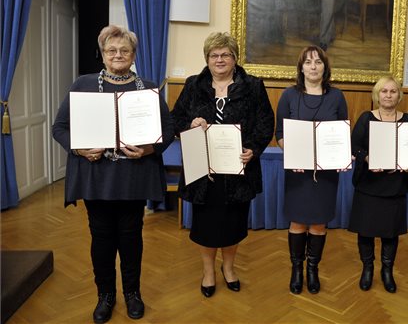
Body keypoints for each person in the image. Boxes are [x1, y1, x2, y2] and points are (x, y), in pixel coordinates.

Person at [52, 25, 175, 323]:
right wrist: (79, 149)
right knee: (102, 238)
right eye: (112, 50)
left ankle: (133, 293)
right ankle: (105, 295)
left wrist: (148, 150)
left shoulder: (147, 88)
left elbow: (168, 130)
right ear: (103, 54)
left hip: (134, 175)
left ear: (133, 55)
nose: (118, 55)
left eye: (124, 50)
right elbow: (60, 128)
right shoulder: (82, 85)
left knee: (132, 237)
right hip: (96, 175)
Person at [171, 32, 274, 298]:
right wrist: (190, 124)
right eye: (214, 55)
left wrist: (253, 148)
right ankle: (208, 272)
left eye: (225, 54)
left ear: (235, 58)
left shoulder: (252, 85)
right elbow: (175, 119)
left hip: (238, 171)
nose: (219, 59)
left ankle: (229, 269)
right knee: (205, 226)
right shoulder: (194, 84)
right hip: (203, 172)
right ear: (207, 58)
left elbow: (265, 123)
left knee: (233, 224)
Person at [276, 45, 348, 294]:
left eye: (318, 62)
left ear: (325, 67)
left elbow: (342, 134)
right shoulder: (288, 95)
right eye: (308, 62)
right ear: (301, 68)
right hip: (297, 172)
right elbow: (280, 135)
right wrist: (293, 155)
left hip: (326, 173)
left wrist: (340, 156)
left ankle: (313, 269)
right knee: (297, 223)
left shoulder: (337, 96)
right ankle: (297, 269)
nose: (313, 66)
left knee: (318, 224)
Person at [348, 76, 408, 293]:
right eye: (384, 91)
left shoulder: (407, 120)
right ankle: (367, 268)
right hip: (369, 185)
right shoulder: (366, 118)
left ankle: (387, 270)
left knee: (391, 232)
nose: (388, 95)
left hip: (395, 185)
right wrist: (367, 158)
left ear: (399, 95)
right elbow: (354, 147)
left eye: (393, 91)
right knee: (366, 231)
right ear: (377, 95)